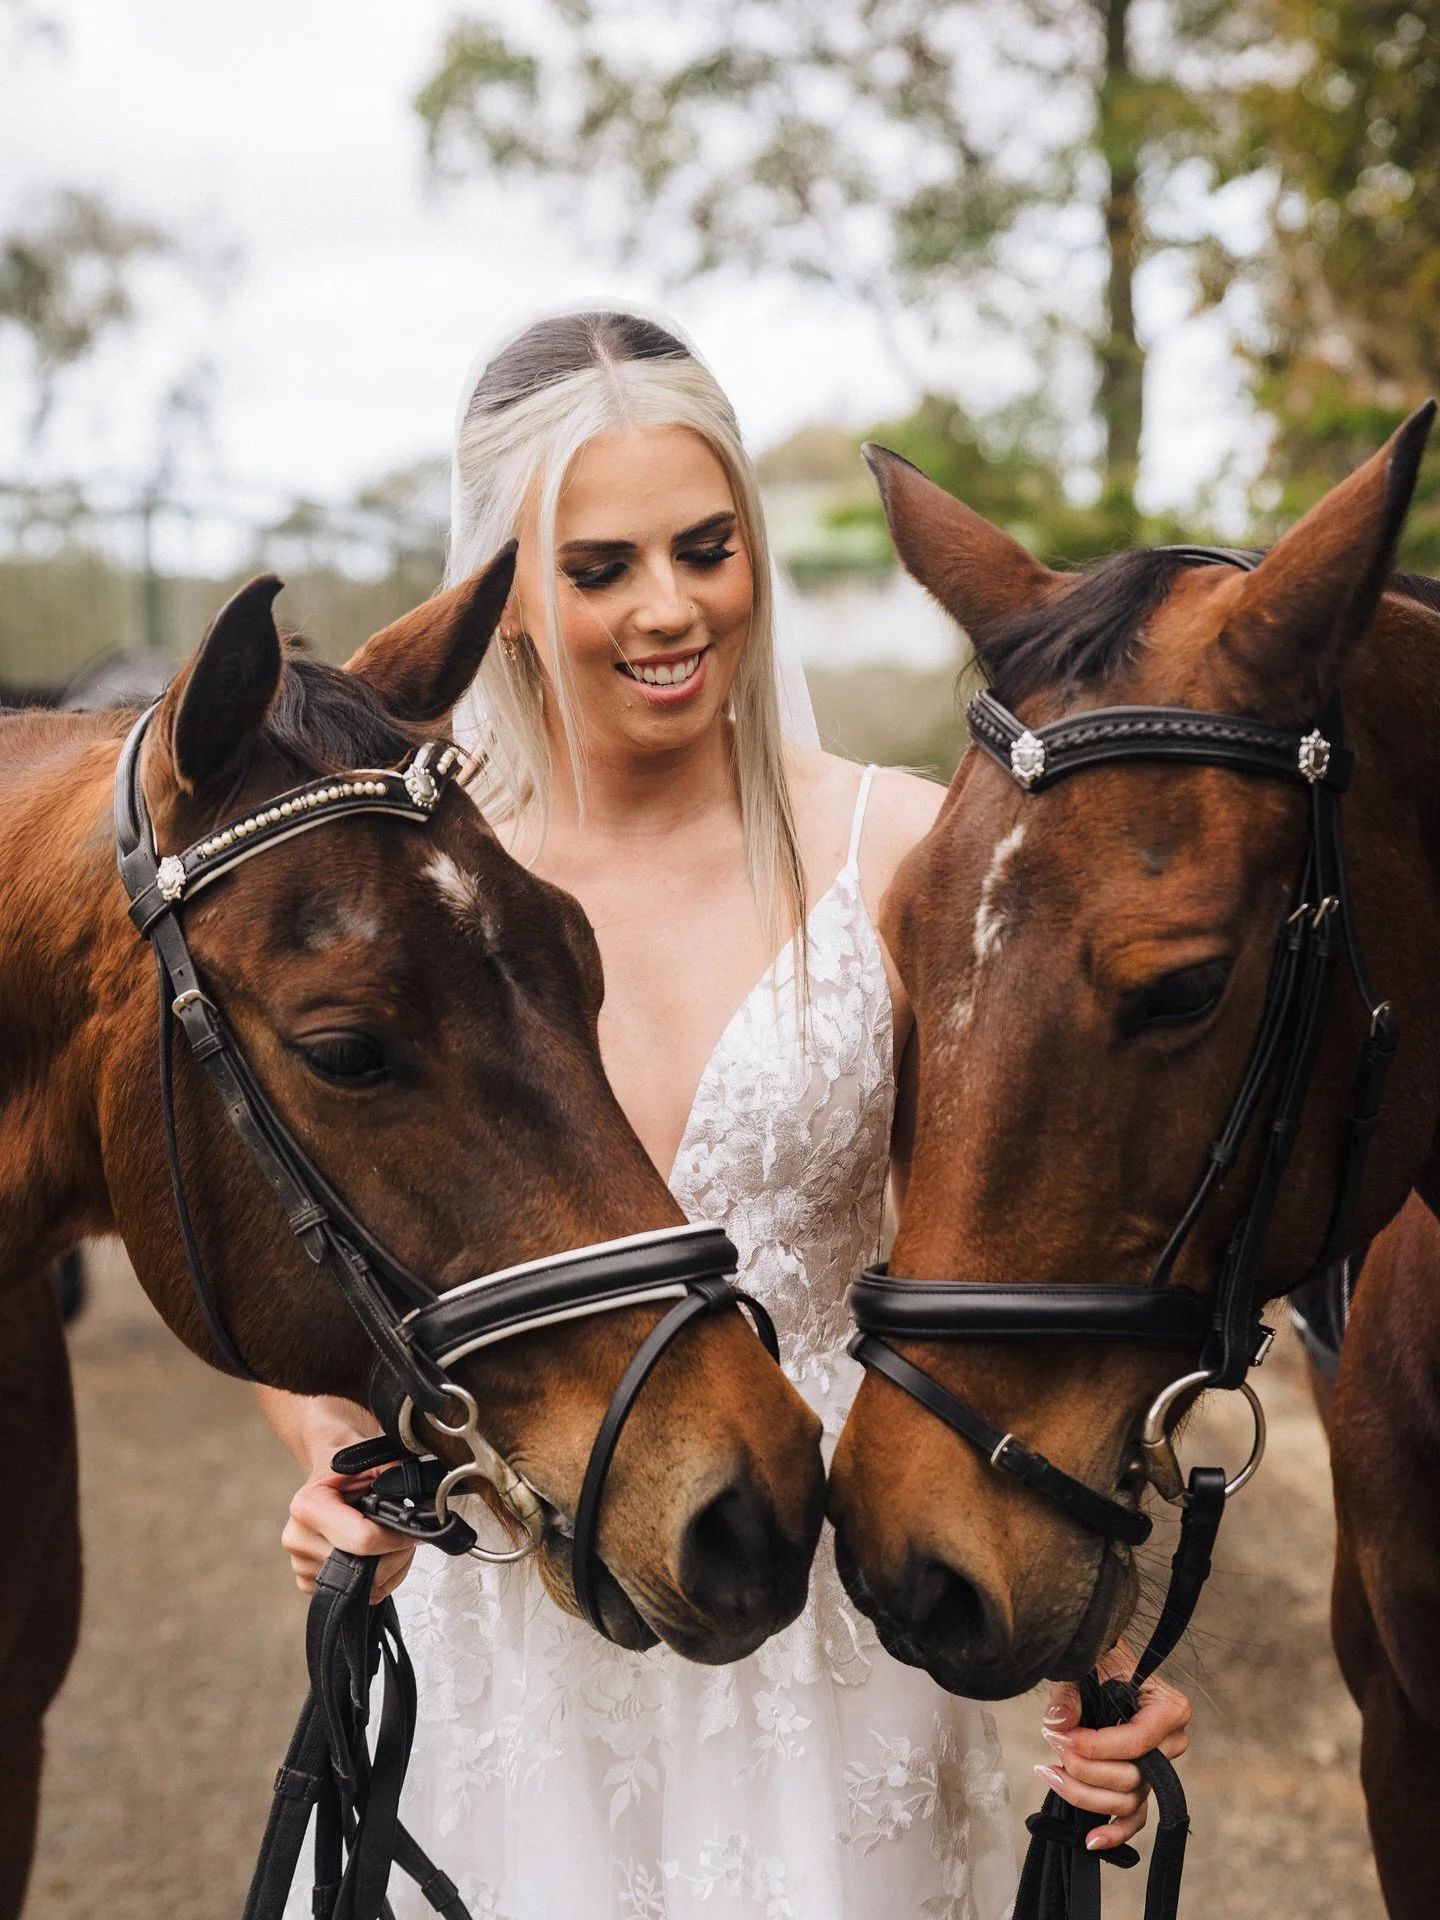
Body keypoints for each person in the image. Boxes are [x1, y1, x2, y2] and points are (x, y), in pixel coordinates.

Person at [259, 309, 1192, 1920]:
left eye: (707, 548)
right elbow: (294, 1218)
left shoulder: (903, 854)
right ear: (504, 593)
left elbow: (1024, 1245)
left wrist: (1099, 1633)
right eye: (599, 567)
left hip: (832, 1612)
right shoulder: (407, 882)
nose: (670, 608)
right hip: (518, 1606)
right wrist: (337, 1453)